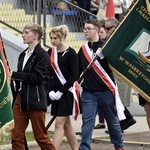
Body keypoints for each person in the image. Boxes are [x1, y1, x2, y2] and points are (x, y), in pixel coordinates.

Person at [78, 19, 124, 150]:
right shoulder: (83, 50)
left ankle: (118, 145)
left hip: (105, 90)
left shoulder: (106, 47)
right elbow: (77, 69)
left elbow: (115, 66)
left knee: (112, 120)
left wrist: (104, 58)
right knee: (87, 121)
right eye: (85, 28)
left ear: (97, 30)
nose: (85, 31)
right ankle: (84, 147)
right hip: (88, 92)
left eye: (88, 28)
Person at [11, 22, 55, 150]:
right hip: (20, 98)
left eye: (26, 32)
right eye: (23, 32)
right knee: (16, 135)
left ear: (35, 36)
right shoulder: (23, 54)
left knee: (41, 137)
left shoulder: (42, 55)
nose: (23, 35)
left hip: (35, 99)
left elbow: (37, 78)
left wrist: (15, 75)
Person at [48, 25, 79, 150]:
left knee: (58, 124)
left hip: (67, 93)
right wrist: (50, 90)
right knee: (67, 126)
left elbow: (75, 75)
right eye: (51, 38)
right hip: (55, 93)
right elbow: (48, 73)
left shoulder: (71, 52)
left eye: (55, 38)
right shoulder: (50, 52)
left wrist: (61, 91)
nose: (52, 40)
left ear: (63, 37)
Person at [105, 17, 136, 132]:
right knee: (116, 101)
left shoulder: (122, 38)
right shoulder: (111, 39)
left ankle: (122, 124)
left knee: (119, 101)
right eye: (105, 28)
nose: (107, 30)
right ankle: (126, 120)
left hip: (121, 73)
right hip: (113, 73)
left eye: (109, 28)